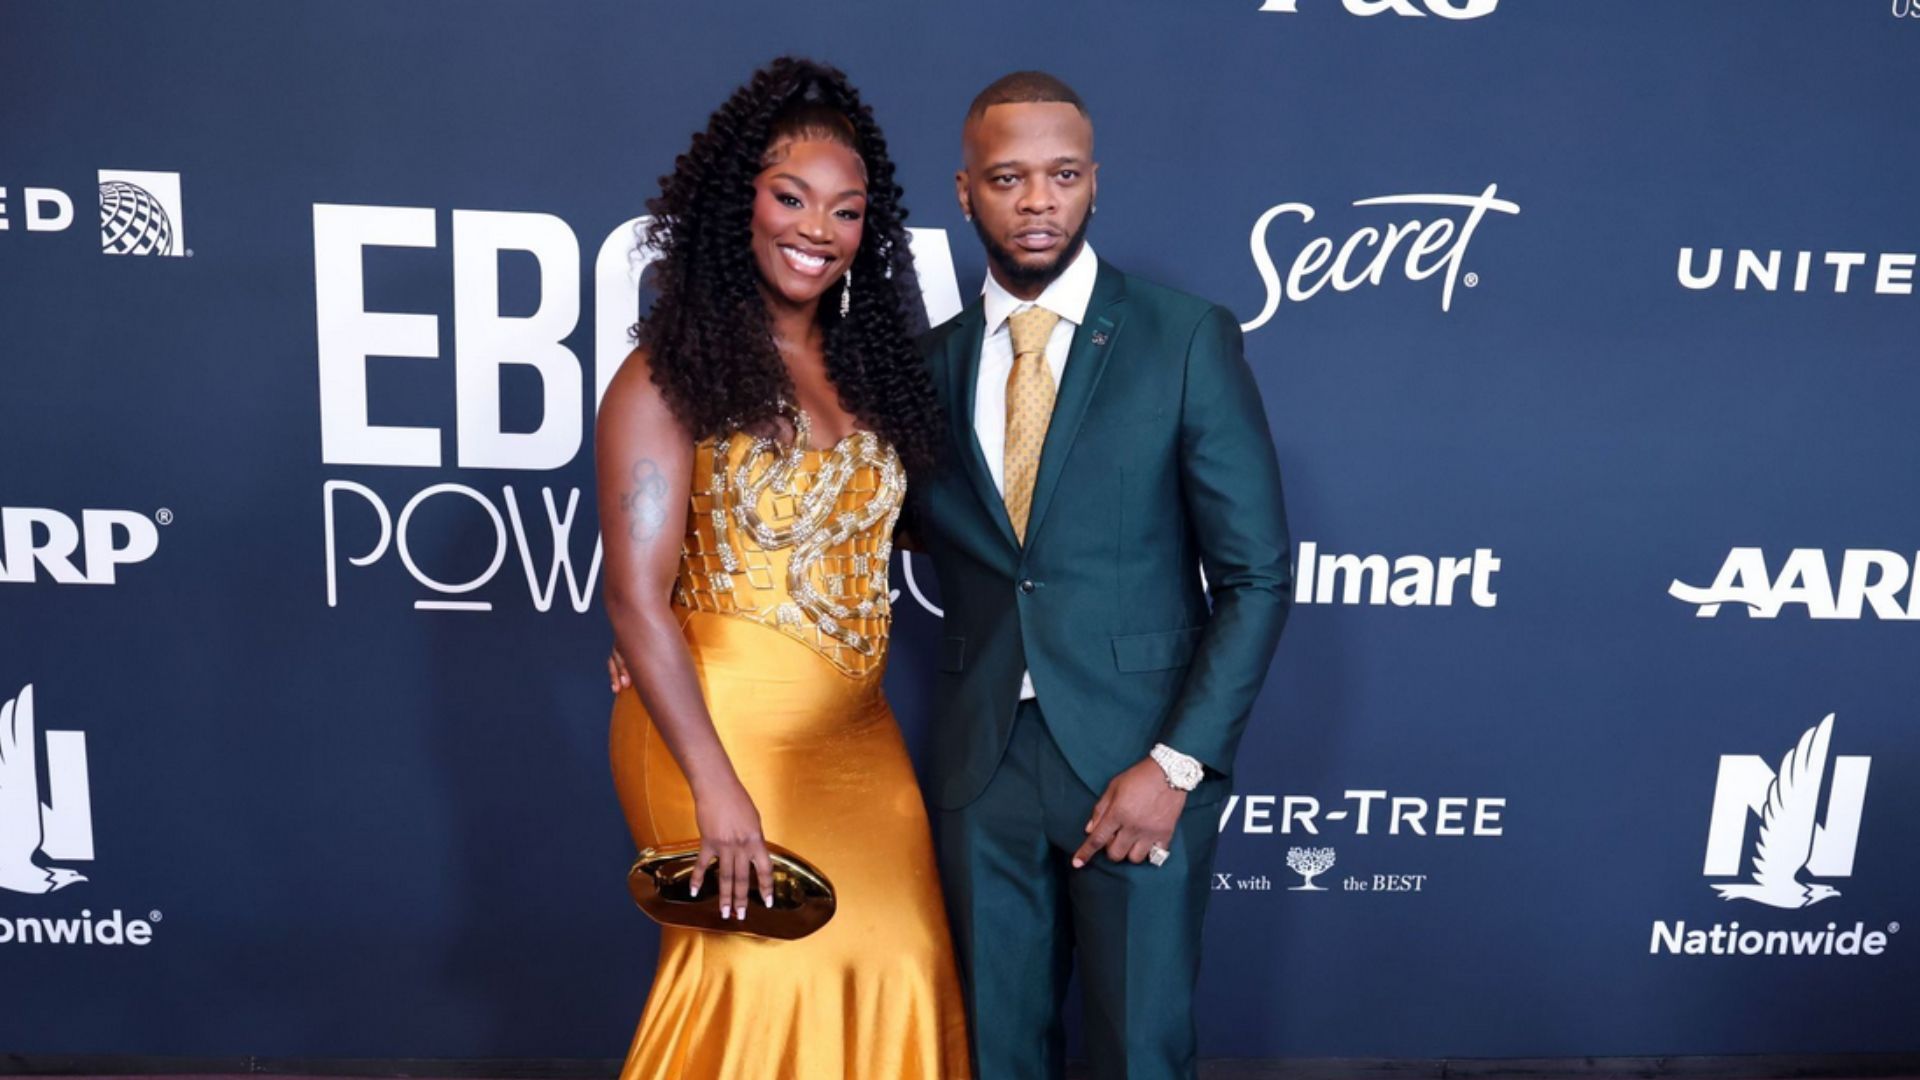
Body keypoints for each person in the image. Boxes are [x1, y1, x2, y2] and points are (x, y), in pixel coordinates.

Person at [910, 72, 1292, 1080]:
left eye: (1063, 175)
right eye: (1008, 178)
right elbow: (845, 535)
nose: (1038, 200)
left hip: (1137, 763)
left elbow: (1254, 576)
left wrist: (1176, 767)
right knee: (993, 1053)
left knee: (1139, 1056)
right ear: (963, 192)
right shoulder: (924, 367)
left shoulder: (1184, 338)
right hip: (978, 767)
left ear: (1093, 184)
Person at [596, 57, 968, 1080]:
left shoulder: (870, 375)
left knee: (904, 960)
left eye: (845, 212)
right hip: (712, 734)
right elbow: (633, 593)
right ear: (739, 204)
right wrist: (718, 793)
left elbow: (862, 530)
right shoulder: (667, 370)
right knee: (761, 979)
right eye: (790, 196)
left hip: (859, 733)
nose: (816, 229)